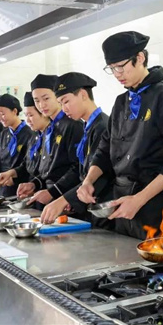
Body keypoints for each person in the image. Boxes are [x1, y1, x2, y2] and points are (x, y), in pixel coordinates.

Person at [77, 31, 163, 240]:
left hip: (154, 203)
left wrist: (138, 199)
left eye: (121, 66)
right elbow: (104, 148)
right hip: (121, 200)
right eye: (112, 69)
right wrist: (88, 180)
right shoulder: (121, 102)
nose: (117, 74)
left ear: (140, 57)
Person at [40, 73, 110, 224]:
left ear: (83, 95)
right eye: (61, 103)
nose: (64, 109)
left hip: (104, 208)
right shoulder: (88, 126)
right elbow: (82, 171)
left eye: (66, 101)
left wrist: (65, 199)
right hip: (90, 205)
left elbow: (103, 174)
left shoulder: (103, 127)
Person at [19, 75, 83, 207]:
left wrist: (53, 192)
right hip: (50, 196)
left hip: (67, 198)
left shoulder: (73, 125)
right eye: (37, 101)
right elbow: (50, 169)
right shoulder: (49, 129)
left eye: (46, 98)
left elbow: (78, 167)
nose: (41, 105)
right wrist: (35, 184)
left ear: (57, 96)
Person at [0, 92, 50, 192]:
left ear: (43, 113)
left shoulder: (50, 137)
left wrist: (34, 184)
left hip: (47, 191)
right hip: (32, 190)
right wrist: (12, 173)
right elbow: (27, 165)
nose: (28, 120)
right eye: (26, 116)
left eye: (31, 115)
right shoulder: (35, 136)